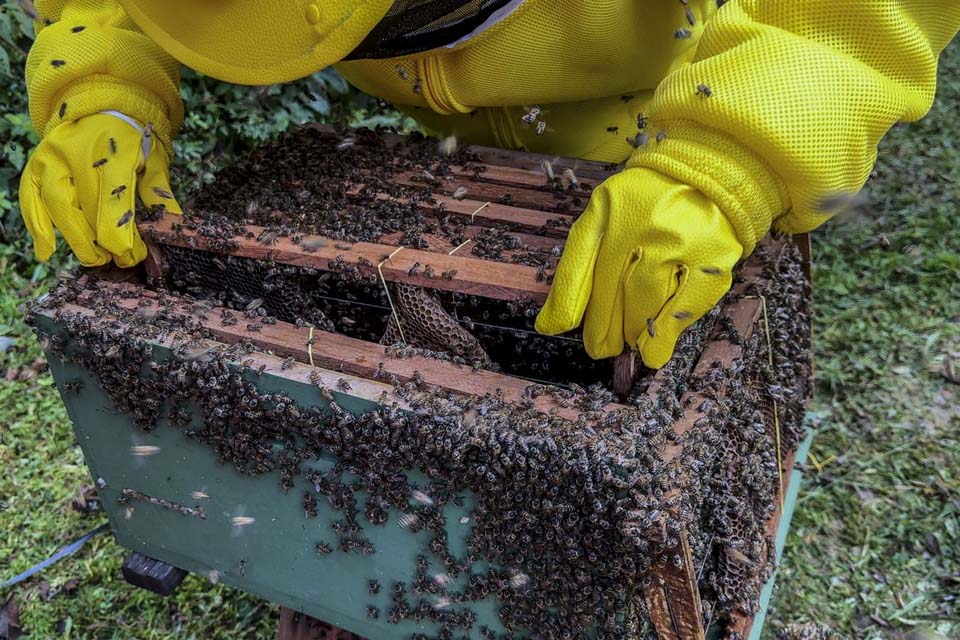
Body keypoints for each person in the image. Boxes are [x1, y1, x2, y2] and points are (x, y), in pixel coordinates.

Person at [19, 1, 960, 368]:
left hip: (669, 88)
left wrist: (733, 155)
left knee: (649, 323)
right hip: (444, 140)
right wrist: (102, 87)